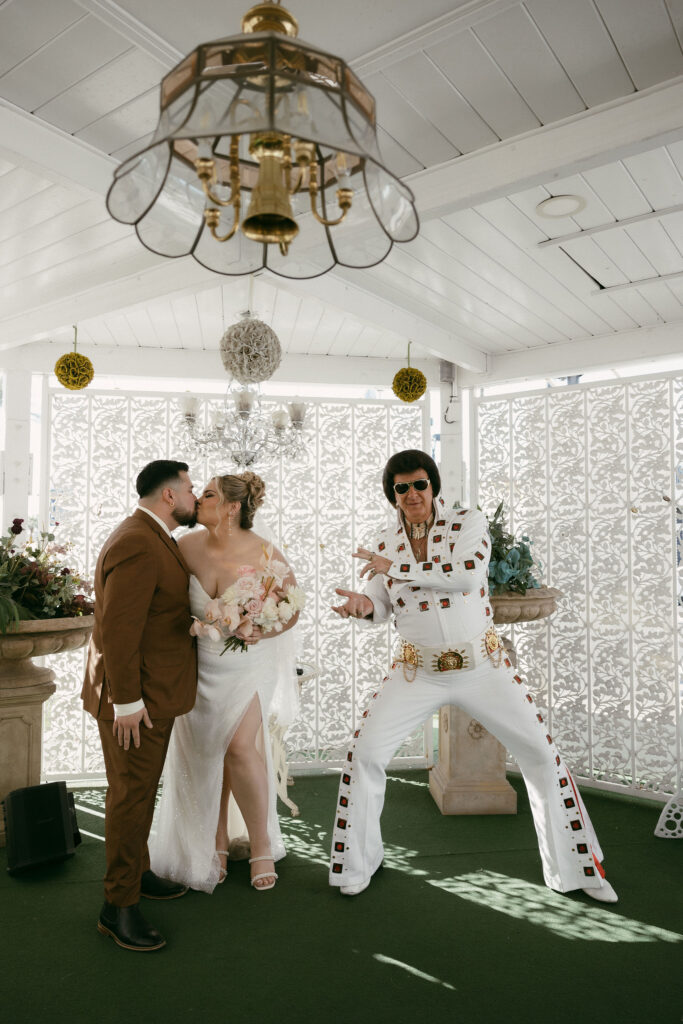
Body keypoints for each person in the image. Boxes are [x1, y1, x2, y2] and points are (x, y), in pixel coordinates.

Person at [329, 449, 618, 903]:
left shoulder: (468, 523)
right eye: (401, 488)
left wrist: (397, 570)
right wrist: (361, 607)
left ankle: (577, 870)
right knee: (364, 753)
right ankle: (358, 864)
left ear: (433, 485)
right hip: (416, 671)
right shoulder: (383, 543)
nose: (411, 494)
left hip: (484, 667)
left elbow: (466, 576)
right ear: (392, 494)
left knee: (542, 755)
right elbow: (381, 604)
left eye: (419, 484)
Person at [149, 471, 300, 894]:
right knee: (205, 751)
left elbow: (291, 608)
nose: (197, 500)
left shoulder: (264, 552)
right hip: (197, 666)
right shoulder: (184, 546)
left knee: (238, 747)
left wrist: (258, 629)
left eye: (208, 495)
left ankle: (262, 844)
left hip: (249, 665)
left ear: (232, 507)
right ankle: (213, 841)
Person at [82, 459, 199, 952]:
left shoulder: (151, 536)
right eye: (191, 488)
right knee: (131, 795)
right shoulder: (137, 540)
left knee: (139, 790)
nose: (195, 496)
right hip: (138, 702)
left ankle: (139, 873)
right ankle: (118, 907)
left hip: (150, 693)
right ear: (169, 496)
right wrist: (127, 702)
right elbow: (117, 628)